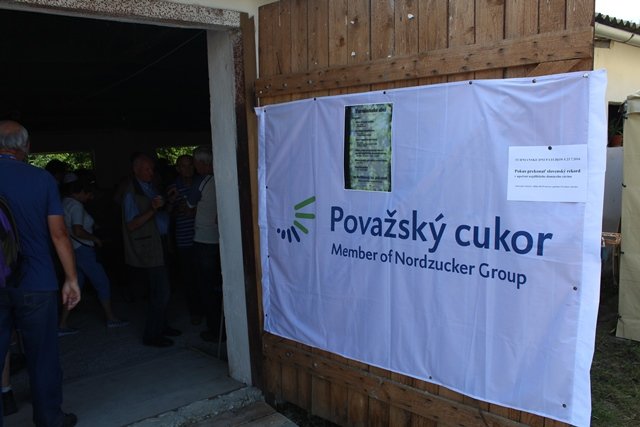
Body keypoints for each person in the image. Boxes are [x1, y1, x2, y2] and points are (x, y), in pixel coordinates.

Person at [0, 120, 80, 426]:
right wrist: (71, 278)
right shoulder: (41, 178)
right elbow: (59, 233)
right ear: (26, 146)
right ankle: (49, 418)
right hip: (36, 281)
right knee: (42, 354)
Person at [121, 154, 180, 347]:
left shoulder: (149, 187)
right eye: (147, 169)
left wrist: (169, 203)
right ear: (136, 170)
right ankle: (152, 335)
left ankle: (162, 326)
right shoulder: (131, 193)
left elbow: (161, 214)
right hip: (149, 247)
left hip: (162, 242)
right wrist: (153, 209)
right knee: (160, 291)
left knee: (164, 289)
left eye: (152, 169)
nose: (151, 172)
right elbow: (131, 225)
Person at [58, 174, 128, 335]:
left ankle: (62, 323)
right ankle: (111, 318)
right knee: (102, 282)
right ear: (81, 192)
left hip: (72, 250)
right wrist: (94, 238)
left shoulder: (64, 203)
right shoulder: (76, 206)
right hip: (84, 250)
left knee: (74, 286)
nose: (90, 198)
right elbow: (78, 230)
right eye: (88, 194)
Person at [188, 146, 224, 343]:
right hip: (221, 239)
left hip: (204, 240)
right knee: (219, 284)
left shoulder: (202, 181)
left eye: (194, 163)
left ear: (202, 163)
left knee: (207, 287)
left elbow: (189, 206)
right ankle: (225, 328)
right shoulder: (224, 177)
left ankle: (215, 330)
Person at [166, 155, 203, 325]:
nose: (187, 169)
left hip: (203, 236)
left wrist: (191, 210)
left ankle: (208, 309)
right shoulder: (173, 187)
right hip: (184, 238)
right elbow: (168, 213)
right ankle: (195, 312)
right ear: (178, 169)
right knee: (189, 278)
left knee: (204, 276)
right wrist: (173, 204)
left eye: (190, 165)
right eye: (183, 166)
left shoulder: (201, 183)